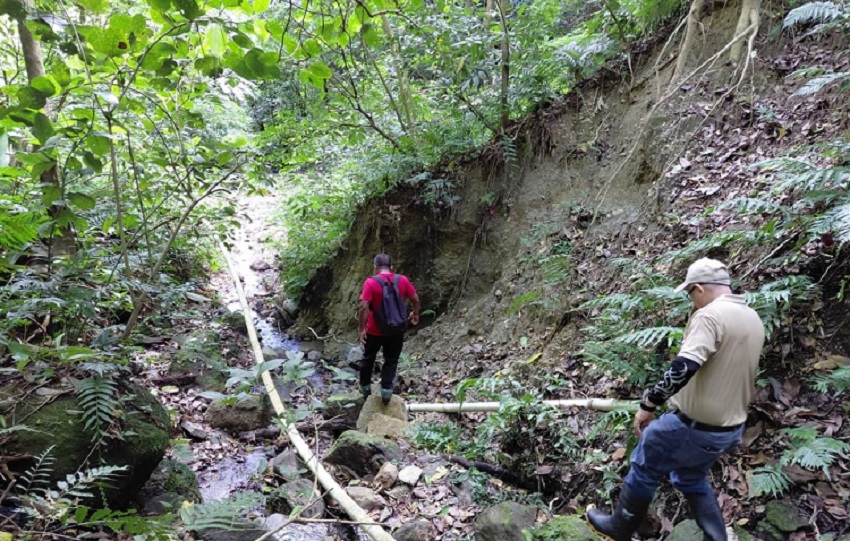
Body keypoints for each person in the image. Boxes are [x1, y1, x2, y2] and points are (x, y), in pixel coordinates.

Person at [586, 258, 765, 541]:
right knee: (691, 478)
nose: (691, 300)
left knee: (645, 464)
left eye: (690, 293)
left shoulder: (710, 316)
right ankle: (718, 538)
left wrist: (648, 405)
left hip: (692, 426)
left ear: (699, 288)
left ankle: (618, 528)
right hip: (729, 429)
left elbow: (684, 367)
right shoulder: (752, 318)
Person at [358, 254, 420, 404]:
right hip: (396, 329)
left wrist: (361, 329)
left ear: (375, 268)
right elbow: (415, 299)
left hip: (374, 330)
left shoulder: (370, 283)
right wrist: (415, 312)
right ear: (392, 268)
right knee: (391, 360)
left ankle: (366, 389)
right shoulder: (402, 280)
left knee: (368, 358)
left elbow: (363, 307)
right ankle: (386, 392)